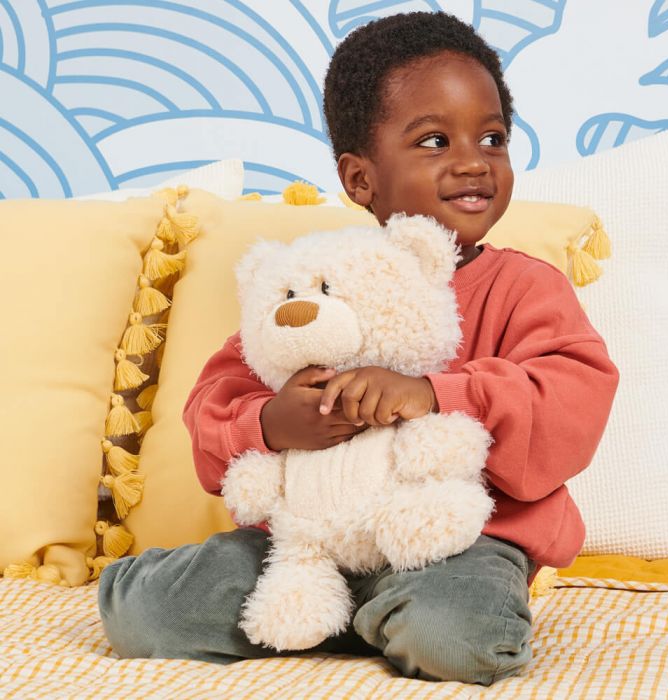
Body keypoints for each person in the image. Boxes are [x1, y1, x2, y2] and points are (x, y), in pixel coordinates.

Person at [98, 11, 619, 685]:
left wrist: (432, 395)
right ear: (360, 179)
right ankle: (355, 612)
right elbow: (217, 398)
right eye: (434, 140)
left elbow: (571, 402)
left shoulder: (525, 287)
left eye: (493, 138)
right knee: (145, 616)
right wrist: (271, 422)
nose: (474, 162)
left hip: (455, 548)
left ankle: (362, 617)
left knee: (457, 638)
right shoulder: (319, 280)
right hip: (304, 544)